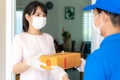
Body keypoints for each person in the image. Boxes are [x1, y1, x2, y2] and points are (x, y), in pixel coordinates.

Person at [11, 1, 69, 80]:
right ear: (27, 17)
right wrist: (29, 62)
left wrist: (63, 76)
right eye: (38, 15)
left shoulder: (48, 38)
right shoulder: (19, 38)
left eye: (44, 15)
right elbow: (14, 69)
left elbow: (53, 65)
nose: (42, 18)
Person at [82, 0, 120, 80]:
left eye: (94, 15)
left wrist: (63, 77)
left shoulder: (98, 58)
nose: (94, 19)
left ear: (103, 16)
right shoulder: (98, 60)